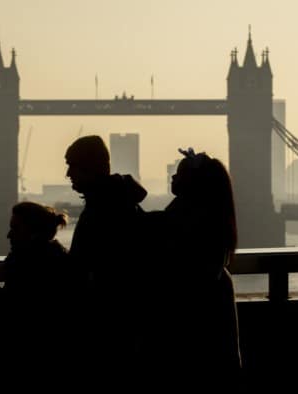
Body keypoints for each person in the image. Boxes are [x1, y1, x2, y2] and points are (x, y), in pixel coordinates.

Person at [147, 148, 242, 392]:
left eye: (178, 173)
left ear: (192, 183)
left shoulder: (185, 218)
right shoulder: (211, 216)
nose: (172, 177)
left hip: (191, 324)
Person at [64, 135, 148, 387]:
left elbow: (86, 270)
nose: (68, 173)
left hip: (105, 329)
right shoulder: (122, 203)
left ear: (89, 167)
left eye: (72, 165)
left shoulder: (101, 211)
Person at [0, 201, 78, 390]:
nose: (8, 235)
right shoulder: (57, 260)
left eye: (15, 228)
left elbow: (18, 311)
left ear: (33, 232)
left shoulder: (26, 265)